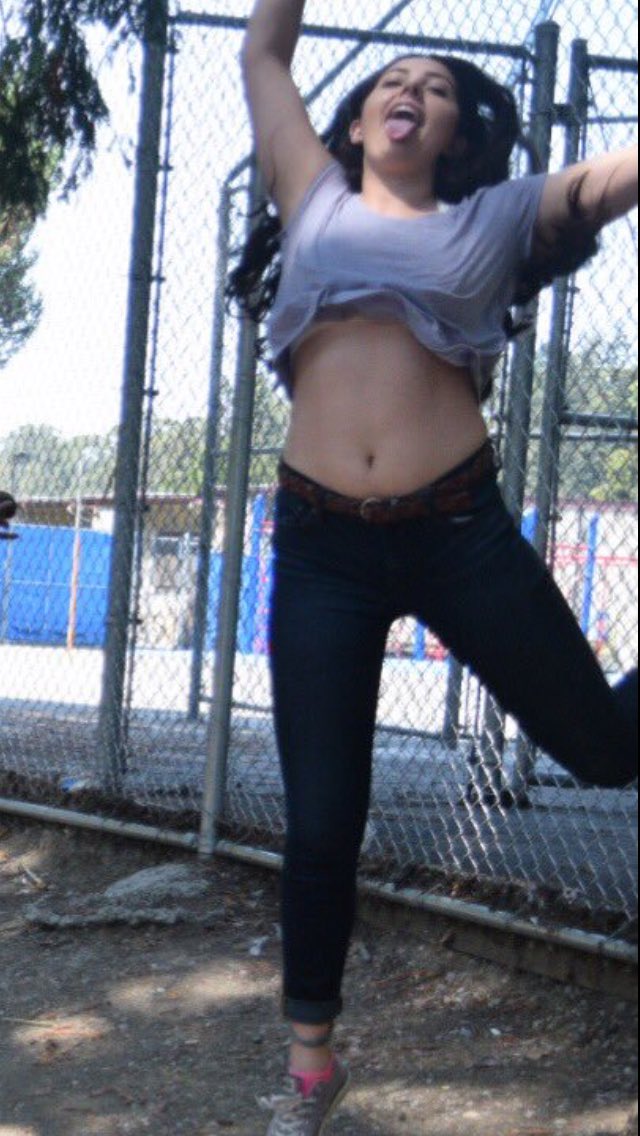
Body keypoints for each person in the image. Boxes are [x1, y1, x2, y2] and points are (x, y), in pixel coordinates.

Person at [230, 2, 639, 1131]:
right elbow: (264, 52)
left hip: (456, 533)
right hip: (322, 547)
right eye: (392, 80)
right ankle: (311, 1068)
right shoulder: (310, 189)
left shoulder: (495, 217)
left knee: (606, 751)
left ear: (455, 136)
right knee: (323, 821)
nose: (411, 90)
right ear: (361, 120)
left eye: (439, 87)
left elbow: (607, 182)